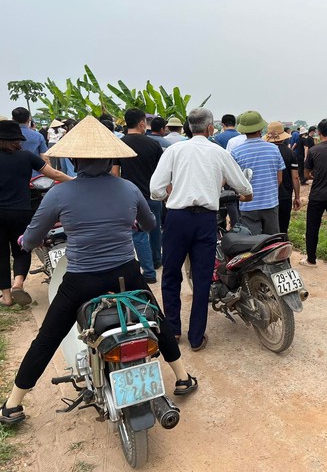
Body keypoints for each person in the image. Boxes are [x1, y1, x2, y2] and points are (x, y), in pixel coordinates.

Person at [0, 116, 197, 426]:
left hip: (81, 280)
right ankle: (182, 377)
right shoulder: (128, 189)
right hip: (126, 274)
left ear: (74, 160)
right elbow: (149, 224)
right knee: (154, 318)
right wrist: (130, 223)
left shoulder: (59, 194)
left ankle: (13, 404)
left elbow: (34, 237)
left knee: (47, 337)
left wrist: (25, 241)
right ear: (110, 159)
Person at [150, 108, 252, 351]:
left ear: (188, 127)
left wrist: (168, 196)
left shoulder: (174, 151)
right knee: (203, 277)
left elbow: (155, 189)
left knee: (171, 274)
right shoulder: (218, 152)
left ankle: (173, 330)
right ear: (209, 129)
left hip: (176, 219)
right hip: (206, 220)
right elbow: (243, 185)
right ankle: (196, 337)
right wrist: (245, 194)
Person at [0, 120, 71, 307]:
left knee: (1, 254)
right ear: (18, 139)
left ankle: (6, 297)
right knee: (22, 249)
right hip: (21, 210)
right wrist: (76, 181)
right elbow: (55, 174)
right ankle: (18, 283)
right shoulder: (26, 157)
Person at [112, 109, 163, 281]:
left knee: (139, 233)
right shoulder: (153, 144)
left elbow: (114, 173)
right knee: (155, 229)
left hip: (130, 197)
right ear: (142, 123)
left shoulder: (120, 144)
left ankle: (148, 271)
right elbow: (161, 172)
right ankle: (157, 260)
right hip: (153, 195)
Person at [299, 118, 327, 271]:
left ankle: (311, 259)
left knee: (312, 227)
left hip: (317, 195)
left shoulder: (314, 150)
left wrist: (314, 175)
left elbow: (306, 173)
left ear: (319, 132)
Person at [230, 111, 285, 235]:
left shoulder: (236, 152)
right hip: (270, 203)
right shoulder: (274, 149)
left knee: (252, 244)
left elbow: (235, 180)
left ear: (243, 130)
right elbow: (279, 179)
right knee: (272, 242)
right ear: (260, 128)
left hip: (248, 206)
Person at [264, 121, 301, 235]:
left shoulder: (265, 152)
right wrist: (297, 197)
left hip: (268, 197)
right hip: (285, 195)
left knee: (268, 231)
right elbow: (295, 177)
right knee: (283, 229)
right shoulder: (290, 153)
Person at [12, 107, 49, 175]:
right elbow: (45, 157)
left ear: (13, 119)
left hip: (12, 174)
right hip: (34, 175)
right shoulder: (38, 136)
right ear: (29, 119)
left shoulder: (7, 136)